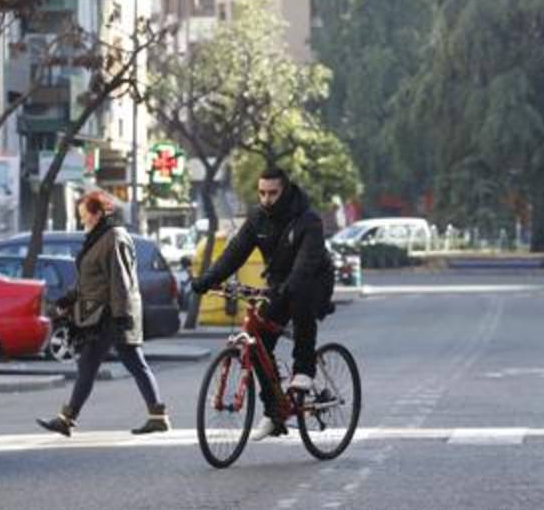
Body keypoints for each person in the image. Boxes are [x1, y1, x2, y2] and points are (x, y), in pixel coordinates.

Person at [190, 166, 335, 441]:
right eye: (262, 193)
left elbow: (305, 266)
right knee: (257, 344)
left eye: (273, 193)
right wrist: (206, 280)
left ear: (286, 190)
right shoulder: (258, 218)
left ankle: (305, 369)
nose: (267, 199)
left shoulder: (308, 220)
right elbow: (234, 253)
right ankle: (275, 412)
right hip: (278, 282)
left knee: (300, 296)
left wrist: (287, 289)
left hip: (314, 278)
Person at [37, 191, 170, 437]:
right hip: (99, 315)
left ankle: (157, 416)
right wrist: (68, 299)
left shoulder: (114, 237)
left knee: (131, 362)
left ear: (98, 214)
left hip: (111, 315)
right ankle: (68, 418)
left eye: (84, 215)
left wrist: (121, 317)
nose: (82, 220)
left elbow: (120, 280)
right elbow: (90, 279)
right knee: (92, 364)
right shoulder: (98, 238)